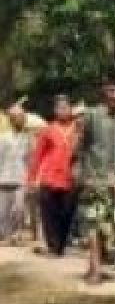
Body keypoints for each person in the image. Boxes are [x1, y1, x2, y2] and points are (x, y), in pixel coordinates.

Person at [74, 75, 115, 285]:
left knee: (108, 227)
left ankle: (96, 264)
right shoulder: (91, 116)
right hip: (94, 181)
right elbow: (79, 148)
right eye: (111, 91)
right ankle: (95, 269)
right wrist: (79, 175)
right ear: (104, 92)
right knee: (93, 224)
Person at [28, 95, 79, 256]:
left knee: (67, 213)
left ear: (71, 109)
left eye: (66, 107)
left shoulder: (79, 130)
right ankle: (53, 246)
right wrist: (31, 178)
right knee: (49, 214)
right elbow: (37, 155)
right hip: (49, 178)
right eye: (59, 108)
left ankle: (61, 244)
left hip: (71, 179)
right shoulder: (48, 130)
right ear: (55, 111)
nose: (63, 111)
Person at [0, 104, 35, 244]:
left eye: (22, 117)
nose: (21, 120)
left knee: (19, 208)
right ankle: (6, 235)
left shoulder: (27, 137)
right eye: (18, 117)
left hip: (21, 177)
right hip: (4, 177)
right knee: (3, 210)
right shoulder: (3, 137)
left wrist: (32, 178)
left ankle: (16, 233)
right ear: (11, 119)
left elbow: (31, 158)